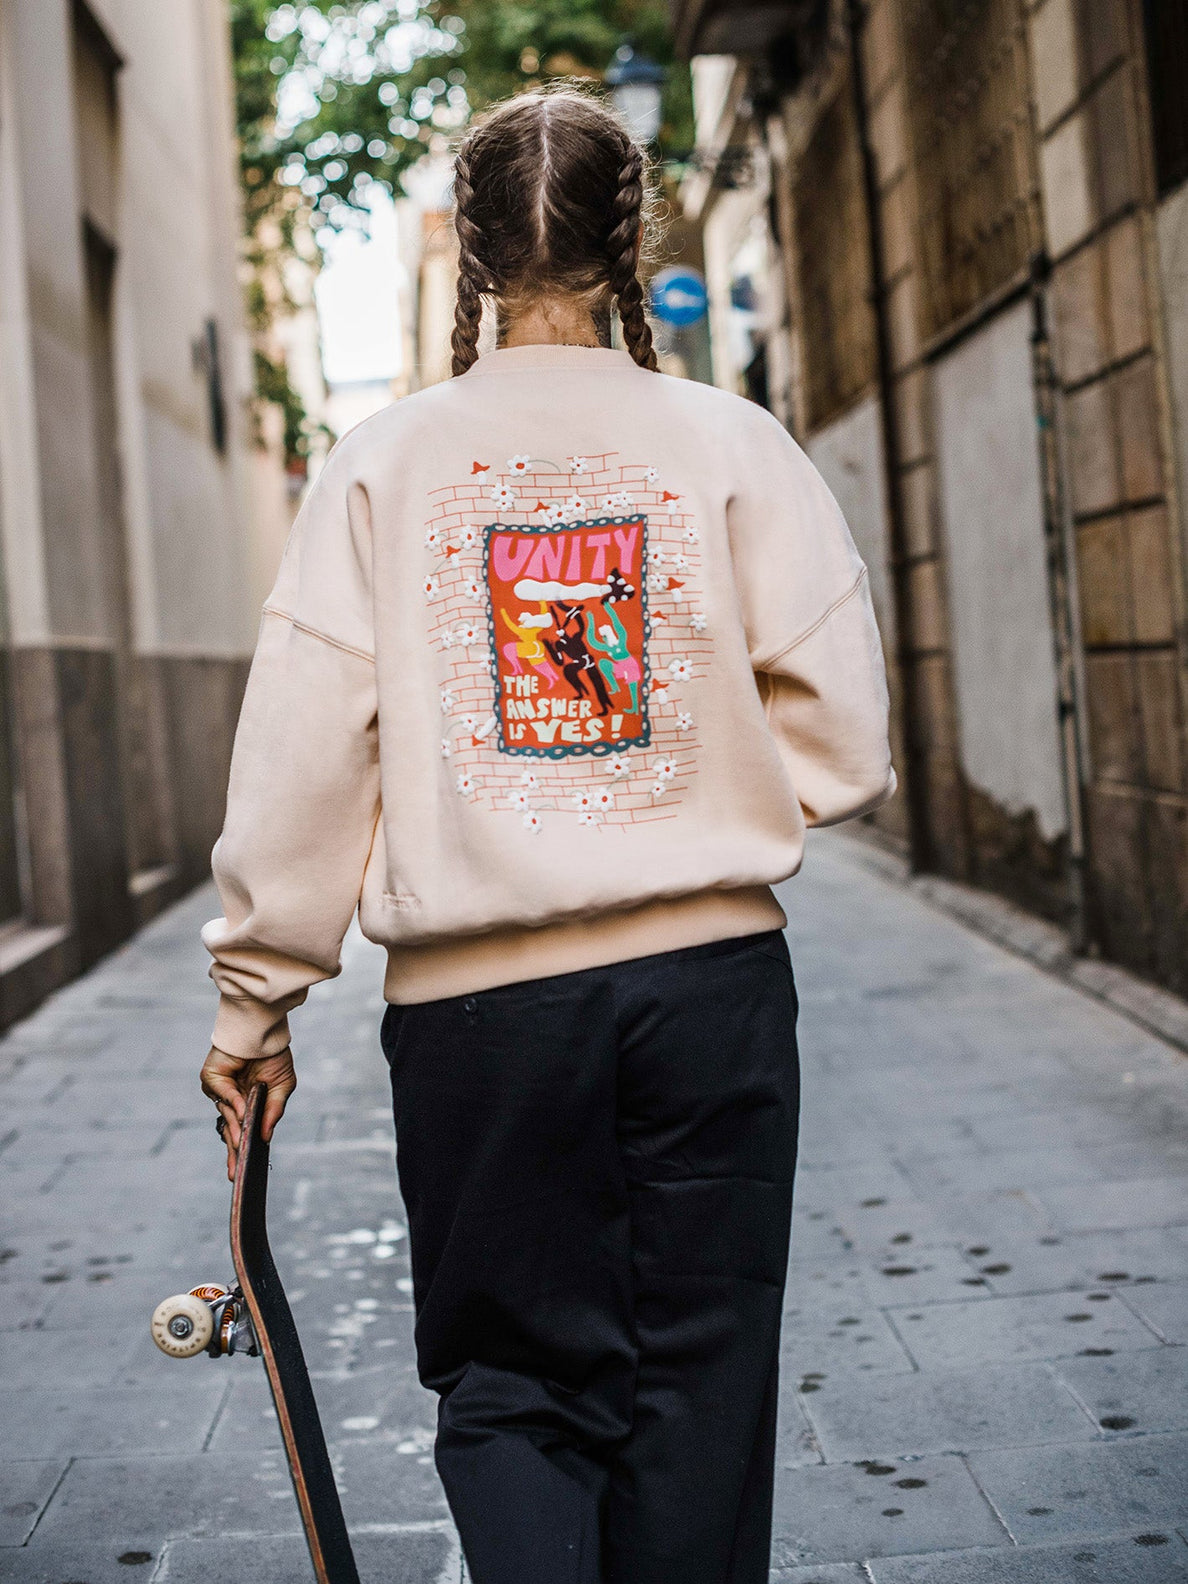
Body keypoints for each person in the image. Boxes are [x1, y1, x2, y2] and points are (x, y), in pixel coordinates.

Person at [200, 83, 895, 1584]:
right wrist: (691, 787)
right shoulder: (731, 444)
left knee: (514, 1386)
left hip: (481, 1024)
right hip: (711, 998)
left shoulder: (384, 465)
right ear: (631, 241)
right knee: (702, 1383)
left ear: (470, 254)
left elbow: (305, 758)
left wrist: (257, 1000)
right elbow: (845, 737)